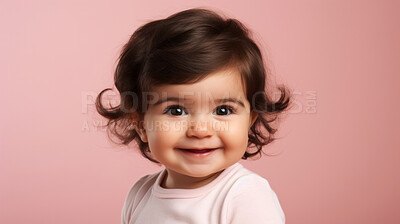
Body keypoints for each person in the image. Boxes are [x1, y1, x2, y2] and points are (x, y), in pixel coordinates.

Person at [96, 7, 292, 224]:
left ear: (249, 121)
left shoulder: (245, 197)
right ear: (141, 124)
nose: (200, 130)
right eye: (176, 111)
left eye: (223, 110)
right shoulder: (140, 195)